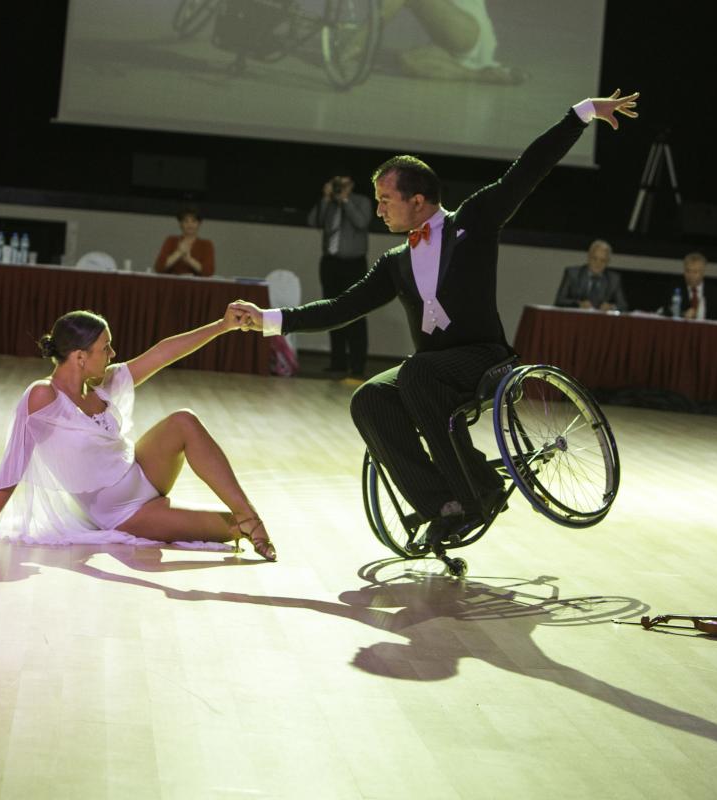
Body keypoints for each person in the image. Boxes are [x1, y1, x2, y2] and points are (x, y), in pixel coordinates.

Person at [230, 90, 639, 542]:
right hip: (430, 373)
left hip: (485, 358)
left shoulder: (476, 221)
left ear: (419, 200)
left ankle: (477, 490)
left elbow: (529, 168)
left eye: (386, 199)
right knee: (369, 398)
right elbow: (341, 308)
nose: (379, 208)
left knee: (418, 374)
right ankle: (441, 502)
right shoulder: (395, 262)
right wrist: (267, 319)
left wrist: (581, 114)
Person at [0, 309, 276, 560]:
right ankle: (241, 522)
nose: (113, 354)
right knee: (229, 529)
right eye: (106, 347)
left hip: (143, 472)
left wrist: (222, 326)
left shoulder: (106, 382)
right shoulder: (43, 398)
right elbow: (15, 460)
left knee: (183, 420)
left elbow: (162, 352)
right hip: (123, 513)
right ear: (80, 357)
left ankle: (251, 516)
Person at [308, 175, 372, 382]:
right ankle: (337, 362)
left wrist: (345, 200)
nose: (339, 187)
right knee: (331, 310)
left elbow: (362, 222)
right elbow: (314, 222)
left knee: (355, 313)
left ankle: (357, 366)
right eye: (336, 183)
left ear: (352, 184)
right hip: (330, 263)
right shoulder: (330, 204)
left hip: (354, 264)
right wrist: (326, 199)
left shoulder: (361, 201)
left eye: (343, 183)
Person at [377, 0, 524, 84]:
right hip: (454, 40)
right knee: (406, 61)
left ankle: (357, 42)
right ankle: (479, 74)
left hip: (468, 31)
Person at [553, 239, 628, 311]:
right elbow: (559, 301)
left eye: (603, 260)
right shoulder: (573, 274)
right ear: (588, 257)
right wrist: (579, 304)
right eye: (594, 258)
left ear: (608, 261)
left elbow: (623, 306)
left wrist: (611, 307)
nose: (598, 264)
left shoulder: (614, 279)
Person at [670, 252, 717, 321]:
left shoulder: (715, 293)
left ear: (703, 272)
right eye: (687, 271)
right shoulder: (675, 288)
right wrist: (683, 314)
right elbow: (665, 311)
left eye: (695, 272)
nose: (691, 275)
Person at [154, 206, 216, 276]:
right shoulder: (171, 240)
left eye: (193, 221)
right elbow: (158, 268)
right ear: (180, 223)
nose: (189, 224)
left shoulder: (206, 244)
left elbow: (208, 272)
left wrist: (189, 260)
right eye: (186, 221)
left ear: (199, 223)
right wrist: (178, 253)